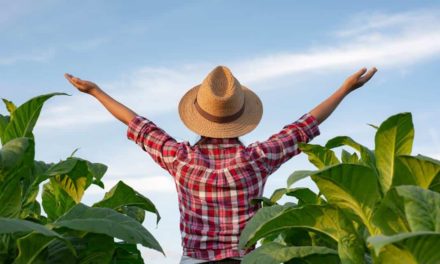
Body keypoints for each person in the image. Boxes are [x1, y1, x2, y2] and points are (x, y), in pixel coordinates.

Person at [65, 65, 377, 264]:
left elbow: (137, 123)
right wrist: (344, 89)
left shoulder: (179, 158)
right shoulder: (258, 159)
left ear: (198, 118)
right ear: (241, 119)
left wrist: (95, 92)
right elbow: (303, 126)